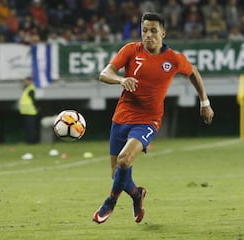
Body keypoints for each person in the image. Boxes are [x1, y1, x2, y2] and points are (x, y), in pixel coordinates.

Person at [92, 12, 214, 224]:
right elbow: (105, 73)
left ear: (163, 33)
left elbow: (193, 72)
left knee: (124, 160)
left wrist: (205, 102)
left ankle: (109, 203)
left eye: (153, 31)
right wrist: (121, 80)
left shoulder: (173, 59)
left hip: (148, 120)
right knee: (117, 175)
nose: (148, 35)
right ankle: (137, 194)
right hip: (121, 117)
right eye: (144, 30)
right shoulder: (131, 50)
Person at [19, 77, 39, 144]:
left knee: (31, 127)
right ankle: (29, 140)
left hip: (31, 111)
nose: (25, 82)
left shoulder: (30, 89)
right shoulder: (27, 88)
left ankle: (32, 141)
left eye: (26, 81)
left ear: (30, 81)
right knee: (29, 127)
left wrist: (36, 108)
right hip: (27, 111)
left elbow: (33, 100)